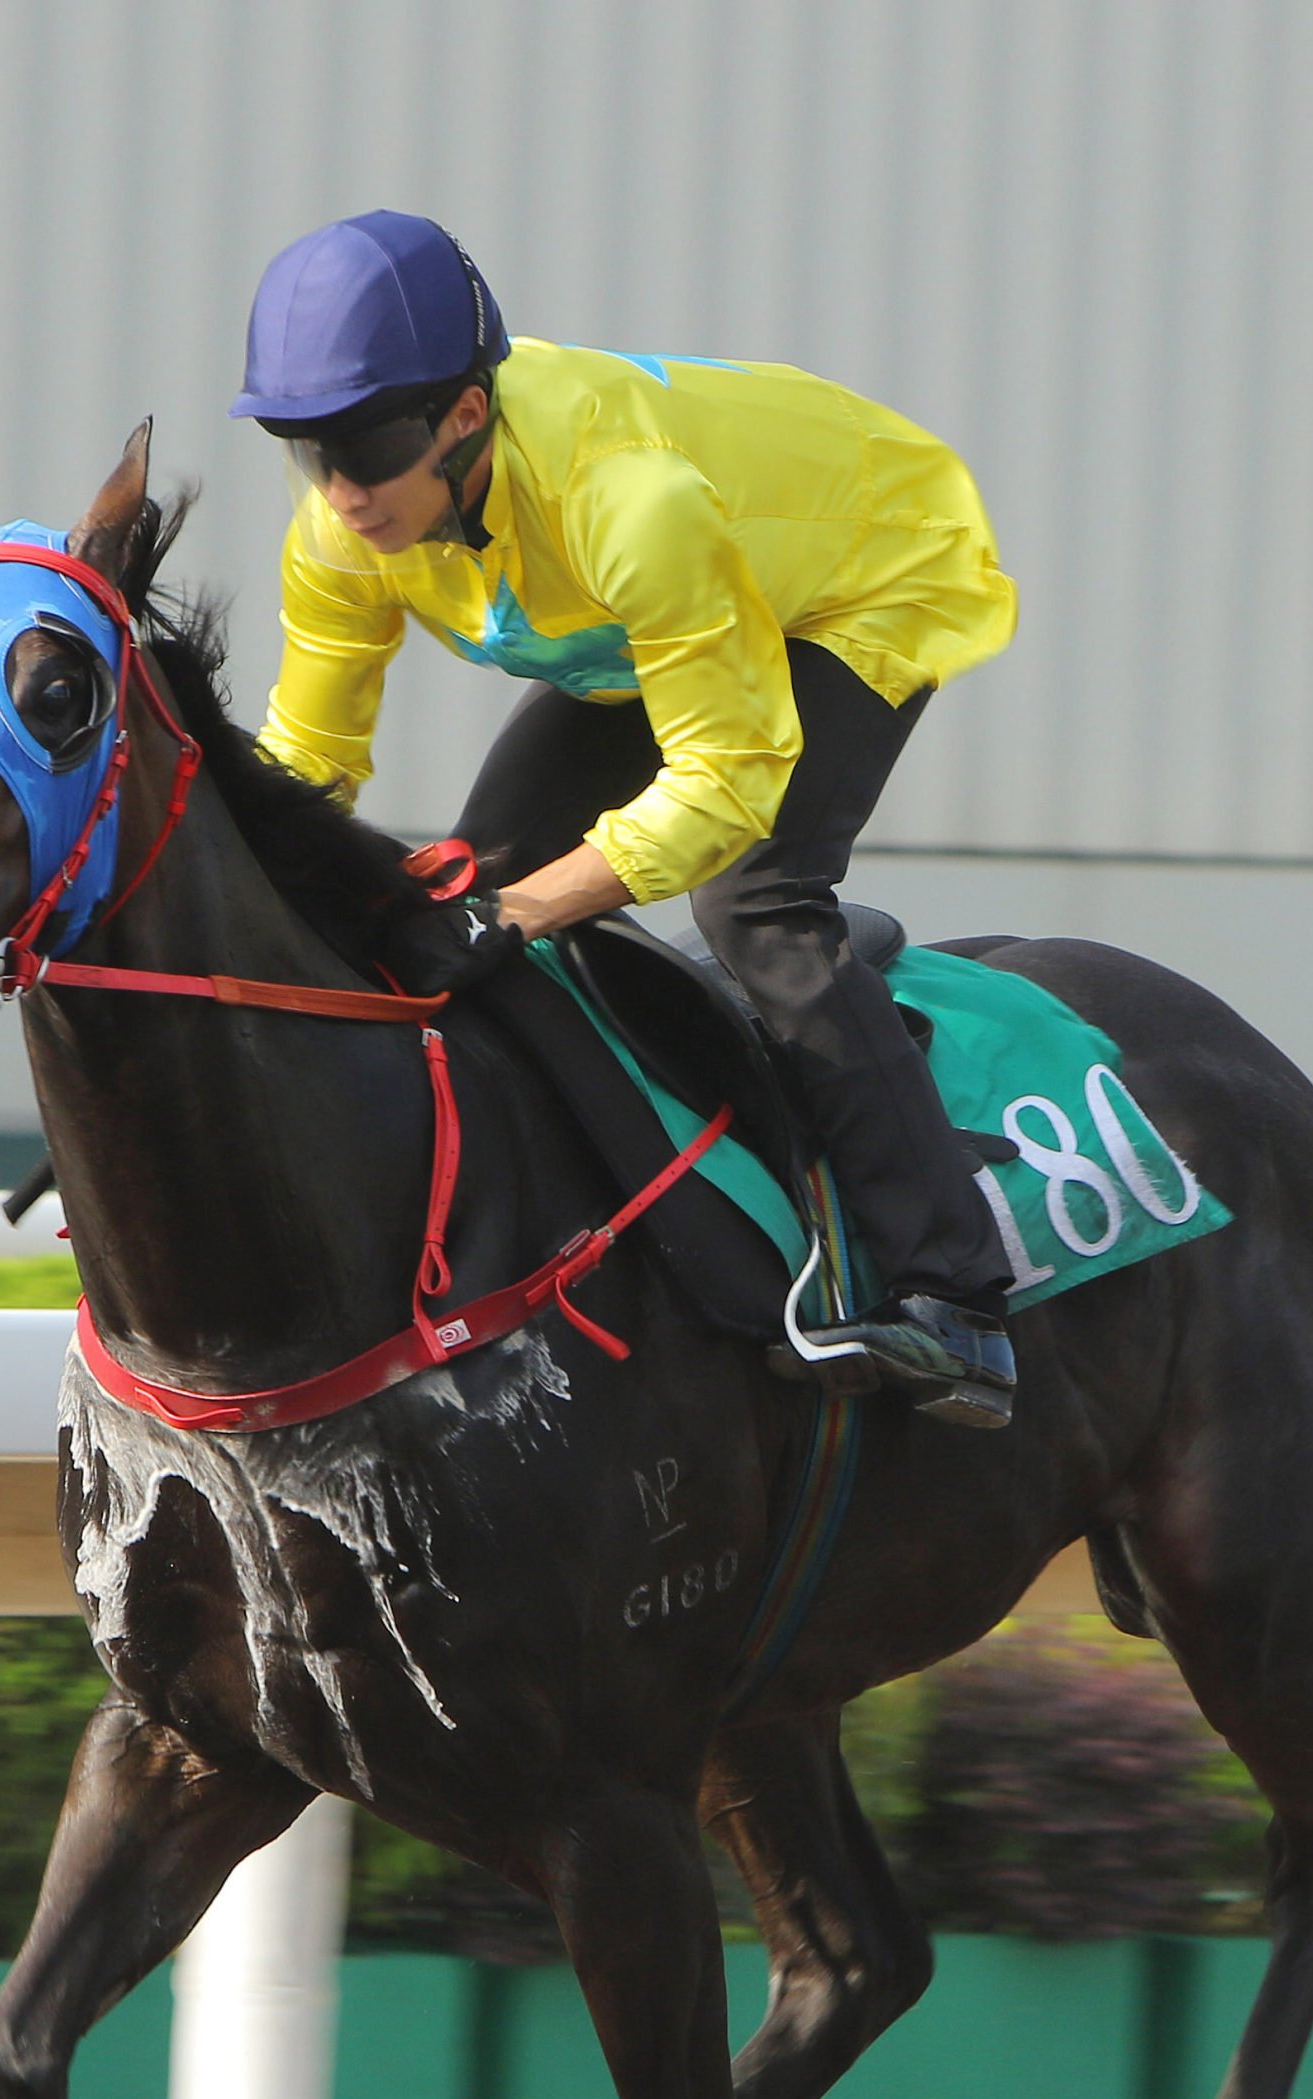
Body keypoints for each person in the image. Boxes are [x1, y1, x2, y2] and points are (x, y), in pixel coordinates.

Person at [234, 211, 1023, 1428]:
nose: (344, 492)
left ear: (462, 415)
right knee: (465, 877)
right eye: (308, 452)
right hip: (654, 623)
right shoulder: (342, 531)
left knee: (752, 900)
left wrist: (529, 910)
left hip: (865, 577)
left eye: (371, 445)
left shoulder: (627, 499)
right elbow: (305, 772)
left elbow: (728, 780)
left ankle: (955, 1297)